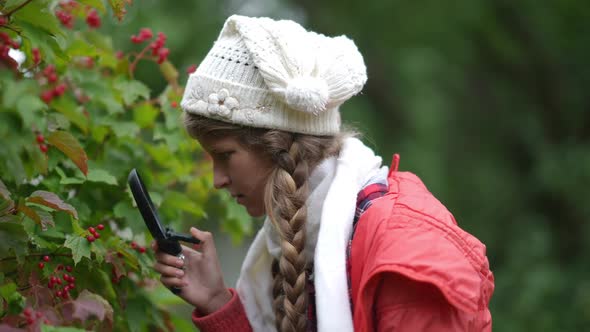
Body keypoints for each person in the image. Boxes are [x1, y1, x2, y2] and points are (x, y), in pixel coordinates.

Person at [152, 15, 494, 332]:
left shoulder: (404, 257)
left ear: (277, 145)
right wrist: (216, 302)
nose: (218, 180)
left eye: (226, 155)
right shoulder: (308, 236)